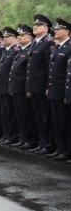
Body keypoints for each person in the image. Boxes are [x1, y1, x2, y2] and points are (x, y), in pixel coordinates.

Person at [26, 14, 55, 155]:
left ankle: (48, 144)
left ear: (45, 28)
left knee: (45, 116)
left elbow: (50, 67)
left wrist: (48, 86)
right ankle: (42, 142)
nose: (34, 27)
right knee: (38, 116)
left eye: (38, 26)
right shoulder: (35, 43)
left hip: (42, 86)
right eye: (34, 25)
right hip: (34, 86)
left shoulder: (48, 43)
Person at [46, 18, 71, 160]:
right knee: (56, 121)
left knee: (64, 122)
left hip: (63, 91)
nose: (55, 31)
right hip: (54, 90)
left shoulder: (69, 46)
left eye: (58, 29)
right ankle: (59, 148)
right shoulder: (57, 47)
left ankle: (66, 151)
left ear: (66, 31)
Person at [0, 27, 20, 144]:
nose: (4, 39)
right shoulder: (5, 51)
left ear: (14, 38)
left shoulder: (15, 51)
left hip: (8, 87)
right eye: (3, 37)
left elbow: (12, 72)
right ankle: (6, 134)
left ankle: (12, 136)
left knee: (10, 113)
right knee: (4, 112)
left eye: (7, 37)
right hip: (2, 86)